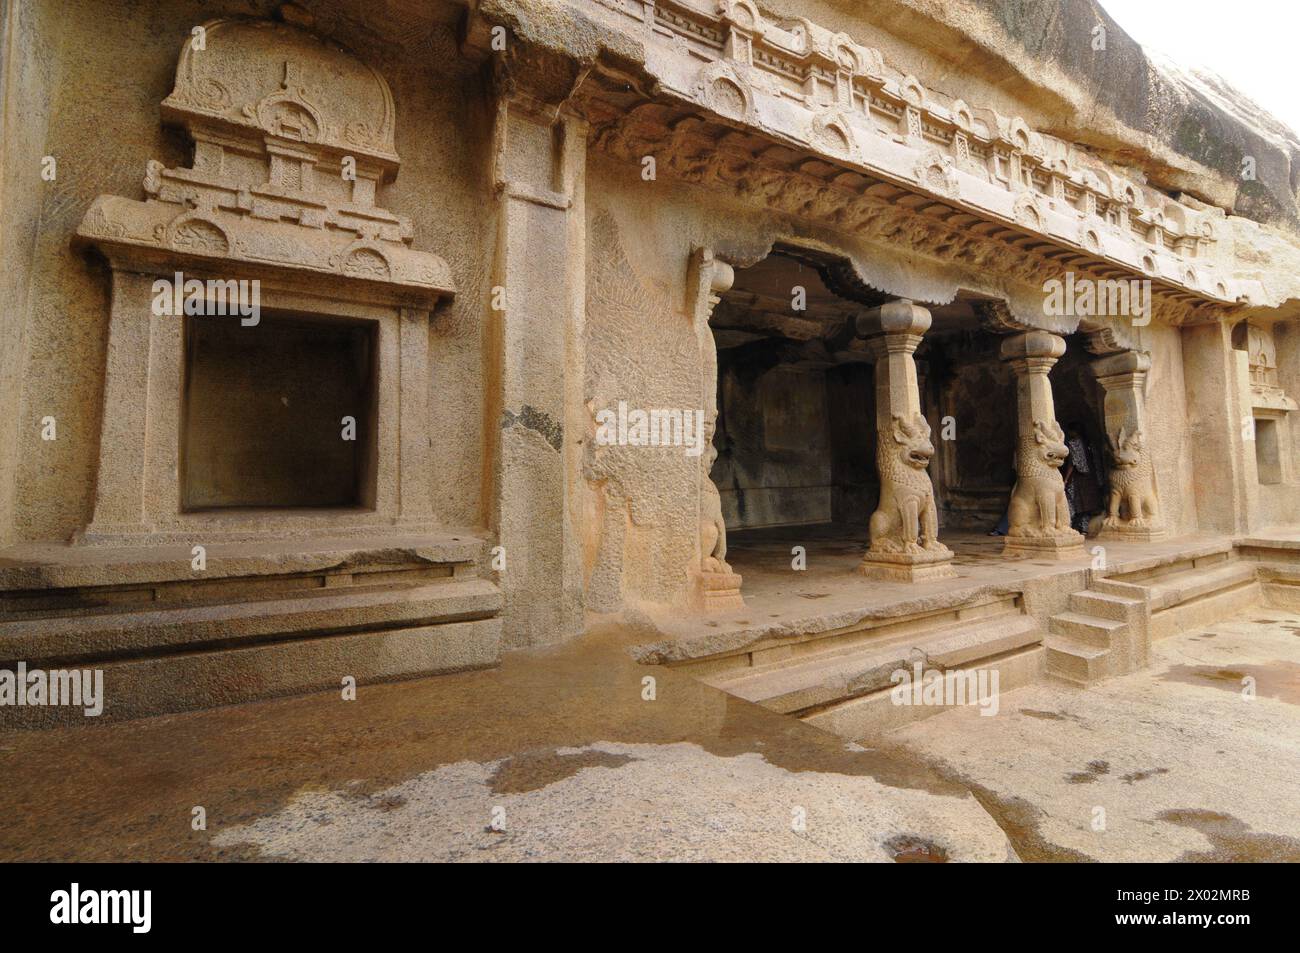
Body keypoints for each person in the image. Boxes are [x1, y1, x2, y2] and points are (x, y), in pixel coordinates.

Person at [1062, 421, 1103, 535]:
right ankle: (1083, 528)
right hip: (1091, 479)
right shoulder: (1090, 442)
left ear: (1073, 431)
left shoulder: (1074, 443)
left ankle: (1068, 527)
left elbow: (1072, 463)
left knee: (1071, 502)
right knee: (1087, 504)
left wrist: (1065, 479)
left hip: (1077, 478)